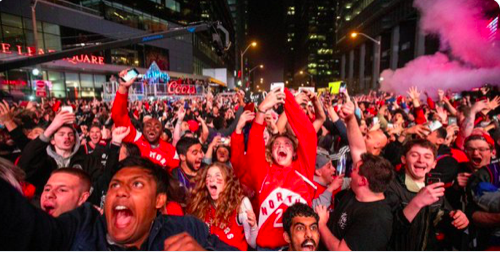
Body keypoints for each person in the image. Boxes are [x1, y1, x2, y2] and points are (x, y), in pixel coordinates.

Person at [0, 157, 236, 251]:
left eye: (137, 185)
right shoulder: (82, 225)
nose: (121, 191)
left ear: (159, 200)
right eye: (115, 185)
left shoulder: (187, 229)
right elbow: (26, 228)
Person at [241, 88, 317, 250]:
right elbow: (254, 147)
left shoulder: (303, 171)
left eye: (287, 144)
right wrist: (261, 111)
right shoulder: (264, 173)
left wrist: (290, 100)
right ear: (271, 152)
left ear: (295, 151)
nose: (282, 146)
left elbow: (308, 135)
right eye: (277, 144)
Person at [315, 99, 395, 251]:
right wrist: (351, 118)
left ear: (363, 181)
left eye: (355, 170)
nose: (351, 170)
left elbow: (341, 250)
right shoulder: (363, 190)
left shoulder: (375, 220)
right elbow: (357, 147)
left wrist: (321, 225)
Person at [386, 139, 469, 250]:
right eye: (414, 155)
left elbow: (443, 217)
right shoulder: (390, 186)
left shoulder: (435, 186)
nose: (421, 160)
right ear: (404, 159)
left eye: (427, 157)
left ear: (434, 164)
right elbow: (389, 229)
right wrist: (417, 202)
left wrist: (458, 217)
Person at [17, 110, 102, 196]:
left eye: (71, 135)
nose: (67, 137)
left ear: (75, 140)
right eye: (61, 134)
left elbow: (99, 182)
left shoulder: (87, 160)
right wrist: (50, 129)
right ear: (52, 140)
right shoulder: (44, 161)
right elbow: (24, 165)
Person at [111, 69, 179, 170]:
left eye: (157, 127)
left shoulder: (171, 151)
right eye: (148, 125)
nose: (152, 129)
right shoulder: (134, 138)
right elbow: (119, 115)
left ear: (161, 131)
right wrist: (123, 88)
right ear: (142, 128)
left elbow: (173, 177)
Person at [187, 162, 257, 250]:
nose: (212, 180)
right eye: (208, 176)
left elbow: (253, 244)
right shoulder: (201, 204)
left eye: (217, 176)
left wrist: (253, 226)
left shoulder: (241, 204)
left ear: (227, 181)